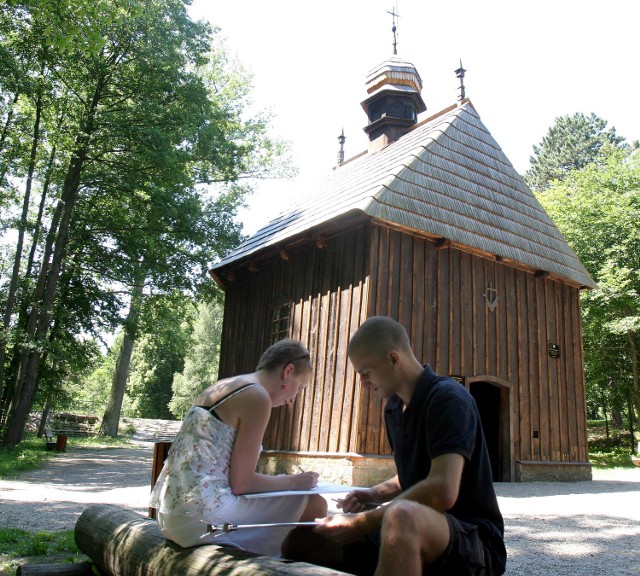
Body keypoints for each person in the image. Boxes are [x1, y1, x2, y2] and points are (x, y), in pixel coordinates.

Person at [284, 316, 506, 575]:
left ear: (393, 358)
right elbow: (414, 476)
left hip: (474, 542)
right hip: (421, 525)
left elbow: (442, 490)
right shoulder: (394, 408)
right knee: (305, 540)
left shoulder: (447, 399)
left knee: (400, 517)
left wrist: (362, 523)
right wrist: (371, 495)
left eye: (365, 373)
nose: (364, 384)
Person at [149, 338, 327, 557]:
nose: (293, 398)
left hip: (169, 516)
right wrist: (294, 481)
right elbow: (242, 484)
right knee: (314, 502)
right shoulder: (257, 396)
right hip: (200, 517)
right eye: (299, 387)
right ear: (288, 371)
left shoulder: (224, 386)